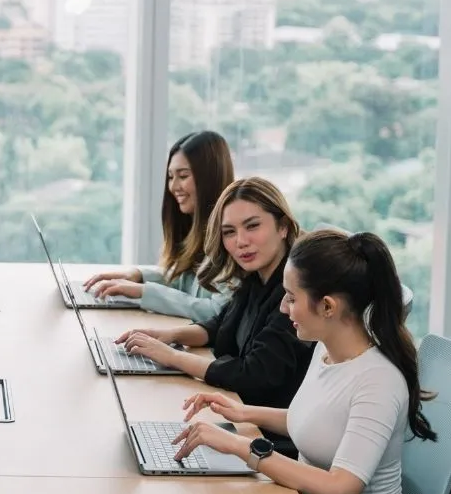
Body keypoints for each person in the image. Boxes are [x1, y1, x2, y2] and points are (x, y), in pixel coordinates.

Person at [170, 229, 437, 494]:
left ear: (328, 307)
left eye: (292, 299)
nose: (283, 309)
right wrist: (240, 412)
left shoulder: (377, 382)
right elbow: (314, 421)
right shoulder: (327, 350)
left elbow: (339, 493)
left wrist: (246, 448)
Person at [117, 177, 313, 451]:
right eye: (229, 232)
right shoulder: (257, 278)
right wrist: (167, 336)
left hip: (273, 442)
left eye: (252, 226)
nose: (240, 242)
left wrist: (174, 357)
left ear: (282, 226)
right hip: (244, 421)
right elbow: (221, 327)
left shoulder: (293, 294)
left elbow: (253, 375)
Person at [82, 131, 234, 321]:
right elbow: (183, 282)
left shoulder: (232, 235)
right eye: (171, 177)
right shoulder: (196, 230)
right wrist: (137, 276)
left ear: (209, 178)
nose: (173, 186)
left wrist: (143, 292)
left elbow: (215, 310)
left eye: (183, 176)